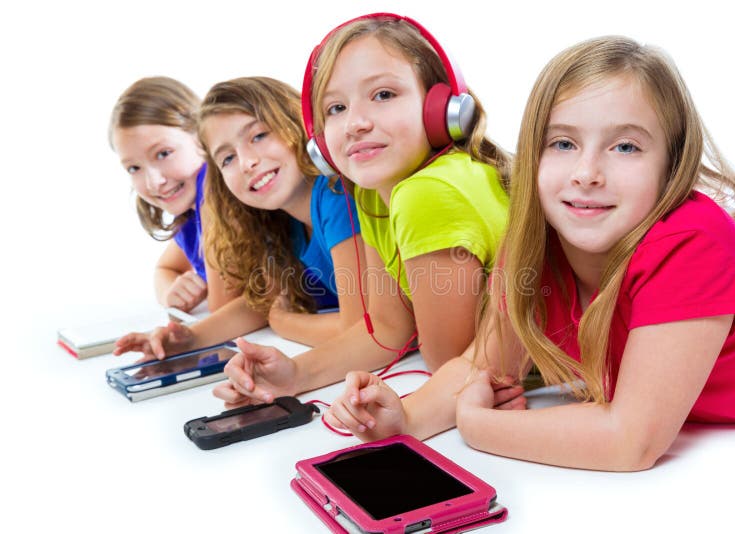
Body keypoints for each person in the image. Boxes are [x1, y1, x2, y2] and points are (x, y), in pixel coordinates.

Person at [325, 36, 735, 471]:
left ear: (672, 166)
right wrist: (403, 418)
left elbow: (629, 441)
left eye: (626, 146)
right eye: (564, 143)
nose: (586, 172)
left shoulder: (693, 244)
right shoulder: (537, 239)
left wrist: (478, 425)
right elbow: (481, 365)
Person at [213, 13, 511, 408]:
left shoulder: (429, 192)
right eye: (335, 108)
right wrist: (295, 374)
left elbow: (448, 361)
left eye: (383, 95)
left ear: (442, 107)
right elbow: (387, 328)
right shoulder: (371, 194)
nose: (354, 123)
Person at [114, 77, 365, 359]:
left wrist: (284, 321)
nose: (247, 163)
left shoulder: (336, 198)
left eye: (258, 136)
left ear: (295, 122)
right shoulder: (281, 220)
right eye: (228, 158)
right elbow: (261, 301)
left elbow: (361, 330)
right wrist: (188, 338)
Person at [110, 77, 233, 313]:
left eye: (163, 153)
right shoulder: (190, 213)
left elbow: (222, 309)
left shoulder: (213, 193)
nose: (154, 182)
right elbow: (165, 268)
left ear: (202, 136)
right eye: (134, 168)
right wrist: (172, 291)